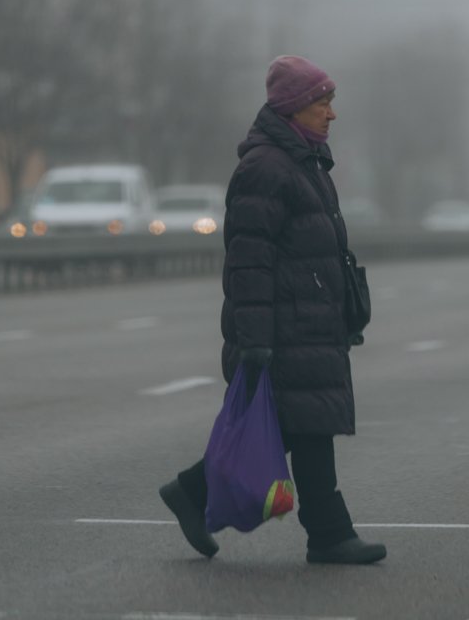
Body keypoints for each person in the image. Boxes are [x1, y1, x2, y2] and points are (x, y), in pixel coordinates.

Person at [160, 55, 387, 566]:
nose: (332, 114)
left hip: (308, 321)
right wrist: (255, 337)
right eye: (322, 104)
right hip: (284, 327)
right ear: (293, 109)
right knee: (307, 425)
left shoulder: (305, 161)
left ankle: (192, 492)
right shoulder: (266, 167)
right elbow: (249, 260)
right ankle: (329, 534)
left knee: (296, 424)